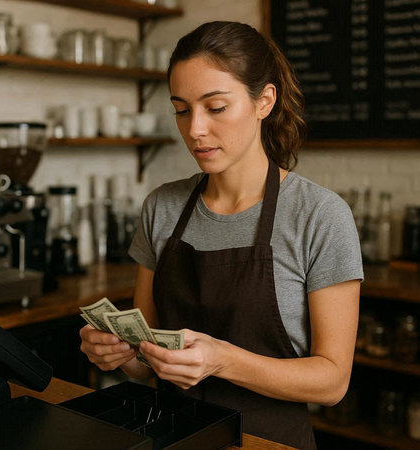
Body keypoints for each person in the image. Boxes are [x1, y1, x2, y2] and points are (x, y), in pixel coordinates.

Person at [80, 21, 363, 449]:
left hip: (270, 442)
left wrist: (222, 360)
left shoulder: (320, 216)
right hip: (170, 437)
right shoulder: (162, 207)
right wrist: (119, 355)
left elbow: (332, 382)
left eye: (215, 107)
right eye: (181, 108)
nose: (194, 130)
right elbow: (147, 359)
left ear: (264, 101)